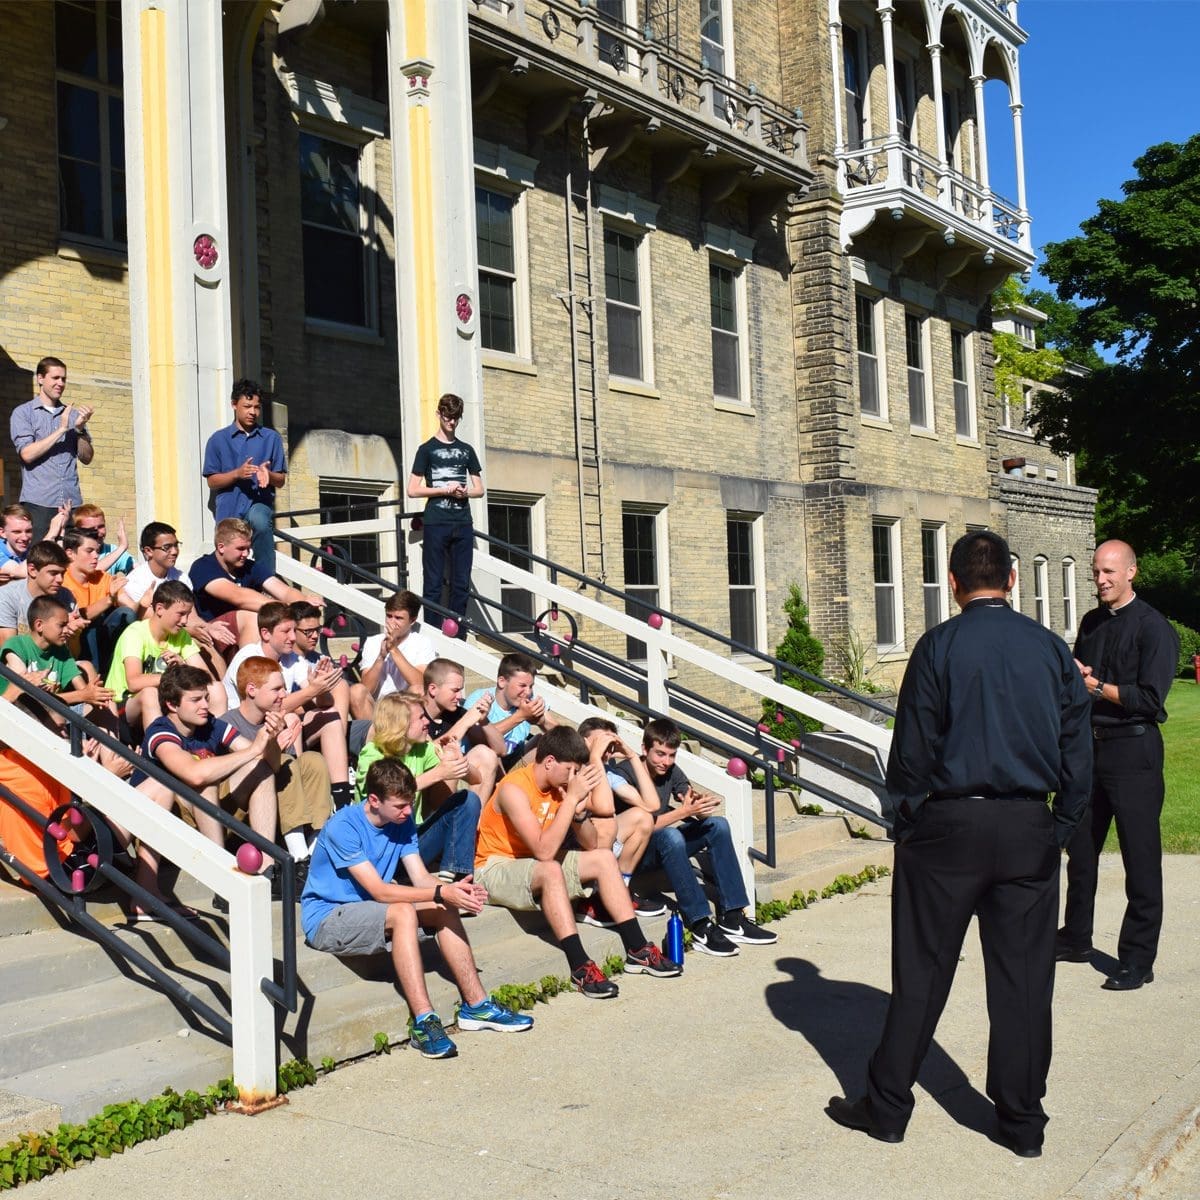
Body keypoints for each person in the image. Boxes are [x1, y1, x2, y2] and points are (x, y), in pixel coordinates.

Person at [826, 530, 1093, 1158]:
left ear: (953, 584)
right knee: (1024, 981)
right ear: (1012, 580)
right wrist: (1059, 825)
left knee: (921, 972)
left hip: (948, 827)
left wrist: (909, 820)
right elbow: (1078, 753)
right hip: (1026, 826)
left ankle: (888, 1108)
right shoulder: (1050, 650)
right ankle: (1022, 1122)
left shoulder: (938, 646)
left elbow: (911, 751)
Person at [302, 757, 533, 1058]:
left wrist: (454, 892)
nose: (408, 812)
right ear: (374, 800)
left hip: (369, 908)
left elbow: (421, 877)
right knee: (404, 911)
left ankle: (477, 1006)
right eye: (400, 806)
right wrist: (440, 891)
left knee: (443, 906)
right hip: (328, 917)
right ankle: (424, 1021)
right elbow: (380, 891)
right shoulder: (343, 826)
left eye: (410, 804)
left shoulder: (402, 821)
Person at [474, 725, 681, 998]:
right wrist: (571, 799)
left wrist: (579, 814)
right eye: (570, 769)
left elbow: (592, 844)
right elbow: (544, 852)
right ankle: (580, 966)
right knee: (550, 869)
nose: (573, 777)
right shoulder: (514, 788)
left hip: (532, 861)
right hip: (494, 865)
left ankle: (638, 948)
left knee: (604, 858)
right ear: (550, 762)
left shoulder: (559, 788)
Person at [1057, 539, 1179, 991]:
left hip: (1134, 752)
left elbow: (1149, 699)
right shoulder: (1092, 622)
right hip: (1090, 751)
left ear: (1132, 571)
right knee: (1081, 852)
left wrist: (1096, 687)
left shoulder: (1154, 628)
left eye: (1109, 571)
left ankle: (1137, 959)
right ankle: (1075, 938)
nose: (1101, 579)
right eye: (1096, 571)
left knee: (1139, 858)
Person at [609, 717, 774, 954]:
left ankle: (733, 917)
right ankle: (700, 925)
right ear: (644, 749)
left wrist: (698, 806)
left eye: (671, 755)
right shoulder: (624, 775)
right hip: (633, 854)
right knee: (671, 836)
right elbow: (643, 825)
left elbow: (686, 795)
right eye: (660, 754)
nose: (666, 762)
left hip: (662, 846)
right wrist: (684, 812)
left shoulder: (671, 770)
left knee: (717, 825)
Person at [131, 663, 282, 916]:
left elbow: (269, 764)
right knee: (205, 782)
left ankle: (267, 867)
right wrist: (254, 749)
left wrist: (271, 740)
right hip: (167, 818)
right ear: (172, 705)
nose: (205, 705)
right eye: (196, 700)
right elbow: (194, 774)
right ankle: (222, 878)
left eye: (206, 698)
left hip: (207, 814)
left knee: (260, 769)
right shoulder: (160, 731)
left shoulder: (211, 724)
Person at [222, 601, 351, 808]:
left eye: (293, 630)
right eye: (286, 631)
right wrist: (312, 690)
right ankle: (297, 792)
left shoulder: (292, 659)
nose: (293, 637)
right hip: (244, 732)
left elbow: (323, 702)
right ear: (266, 634)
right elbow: (271, 706)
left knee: (330, 714)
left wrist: (322, 686)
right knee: (290, 718)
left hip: (276, 725)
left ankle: (342, 799)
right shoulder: (249, 658)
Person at [224, 655, 333, 883]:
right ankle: (299, 858)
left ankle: (313, 852)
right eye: (276, 689)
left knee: (312, 760)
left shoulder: (276, 720)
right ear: (251, 690)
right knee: (284, 761)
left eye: (283, 687)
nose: (284, 694)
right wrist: (272, 744)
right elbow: (262, 769)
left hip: (277, 809)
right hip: (239, 812)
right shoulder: (228, 723)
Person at [355, 693, 483, 882]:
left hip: (411, 842)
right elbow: (387, 793)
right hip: (378, 846)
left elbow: (476, 779)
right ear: (401, 724)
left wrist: (458, 760)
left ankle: (457, 875)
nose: (427, 722)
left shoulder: (422, 749)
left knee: (468, 800)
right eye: (421, 717)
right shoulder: (372, 754)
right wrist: (438, 773)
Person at [105, 580, 222, 733]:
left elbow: (207, 679)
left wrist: (183, 667)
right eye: (180, 614)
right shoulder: (135, 633)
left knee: (217, 689)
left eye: (187, 615)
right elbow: (134, 682)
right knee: (150, 693)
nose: (185, 621)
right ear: (160, 609)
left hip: (164, 704)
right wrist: (176, 676)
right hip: (122, 707)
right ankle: (158, 745)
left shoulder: (181, 635)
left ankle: (213, 739)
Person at [407, 393, 483, 626]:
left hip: (463, 522)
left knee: (461, 583)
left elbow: (479, 489)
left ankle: (457, 635)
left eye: (456, 418)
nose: (452, 422)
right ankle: (432, 633)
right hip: (436, 522)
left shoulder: (467, 450)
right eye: (448, 417)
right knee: (433, 583)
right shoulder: (426, 449)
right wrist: (443, 490)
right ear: (438, 414)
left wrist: (464, 493)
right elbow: (412, 490)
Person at [187, 517, 319, 649]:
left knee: (292, 624)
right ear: (221, 547)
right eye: (240, 548)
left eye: (248, 548)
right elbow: (239, 597)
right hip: (213, 635)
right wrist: (288, 608)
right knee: (253, 616)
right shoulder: (203, 567)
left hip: (242, 634)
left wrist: (304, 602)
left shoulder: (249, 567)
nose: (246, 554)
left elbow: (284, 591)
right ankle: (251, 663)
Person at [202, 379, 287, 576]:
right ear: (234, 405)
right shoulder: (218, 439)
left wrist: (269, 474)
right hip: (229, 505)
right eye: (247, 406)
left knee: (260, 521)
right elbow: (212, 481)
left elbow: (281, 480)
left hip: (258, 502)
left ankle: (266, 578)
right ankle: (224, 582)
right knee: (228, 551)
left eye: (257, 407)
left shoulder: (271, 438)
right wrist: (237, 474)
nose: (253, 412)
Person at [9, 357, 94, 542]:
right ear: (40, 378)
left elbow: (87, 457)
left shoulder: (73, 415)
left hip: (72, 503)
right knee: (41, 556)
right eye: (55, 378)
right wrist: (62, 429)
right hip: (39, 503)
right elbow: (27, 454)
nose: (60, 383)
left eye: (63, 379)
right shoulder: (24, 413)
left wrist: (79, 430)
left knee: (72, 557)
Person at [421, 657, 503, 804]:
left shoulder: (456, 713)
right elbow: (427, 754)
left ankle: (475, 816)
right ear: (433, 689)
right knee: (450, 759)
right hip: (419, 788)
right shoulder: (414, 713)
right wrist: (466, 721)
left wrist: (483, 721)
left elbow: (500, 749)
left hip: (449, 783)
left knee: (485, 754)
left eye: (461, 690)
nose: (459, 697)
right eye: (455, 690)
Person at [348, 590, 437, 722]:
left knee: (418, 690)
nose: (392, 622)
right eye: (389, 616)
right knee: (356, 691)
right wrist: (381, 657)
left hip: (406, 710)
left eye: (398, 618)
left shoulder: (422, 643)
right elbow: (366, 688)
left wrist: (394, 650)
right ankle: (372, 735)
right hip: (377, 710)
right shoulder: (373, 642)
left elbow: (420, 684)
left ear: (412, 620)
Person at [465, 652, 557, 771]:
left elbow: (564, 737)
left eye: (531, 686)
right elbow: (478, 739)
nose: (528, 692)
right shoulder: (480, 699)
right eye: (522, 686)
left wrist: (541, 722)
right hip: (483, 766)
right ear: (502, 681)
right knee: (491, 753)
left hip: (515, 765)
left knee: (545, 742)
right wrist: (521, 716)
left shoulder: (529, 700)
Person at [61, 525, 133, 667]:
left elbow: (131, 608)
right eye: (89, 551)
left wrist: (144, 604)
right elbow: (79, 616)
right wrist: (109, 599)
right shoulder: (61, 581)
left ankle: (120, 668)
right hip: (70, 643)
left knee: (126, 614)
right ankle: (93, 676)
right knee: (90, 626)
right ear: (70, 553)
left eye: (97, 551)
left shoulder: (102, 577)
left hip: (103, 642)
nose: (96, 556)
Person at [0, 541, 87, 646]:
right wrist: (53, 629)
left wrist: (73, 635)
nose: (60, 579)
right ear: (32, 570)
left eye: (62, 573)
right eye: (53, 573)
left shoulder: (65, 597)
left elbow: (74, 653)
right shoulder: (7, 596)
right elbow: (8, 648)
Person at [69, 504, 134, 576]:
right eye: (91, 529)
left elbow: (138, 570)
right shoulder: (73, 552)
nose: (98, 533)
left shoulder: (111, 550)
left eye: (101, 526)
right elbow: (90, 573)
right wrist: (122, 547)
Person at [0, 505, 35, 581]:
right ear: (2, 533)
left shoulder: (29, 550)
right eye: (17, 532)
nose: (25, 538)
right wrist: (50, 535)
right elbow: (21, 572)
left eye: (28, 531)